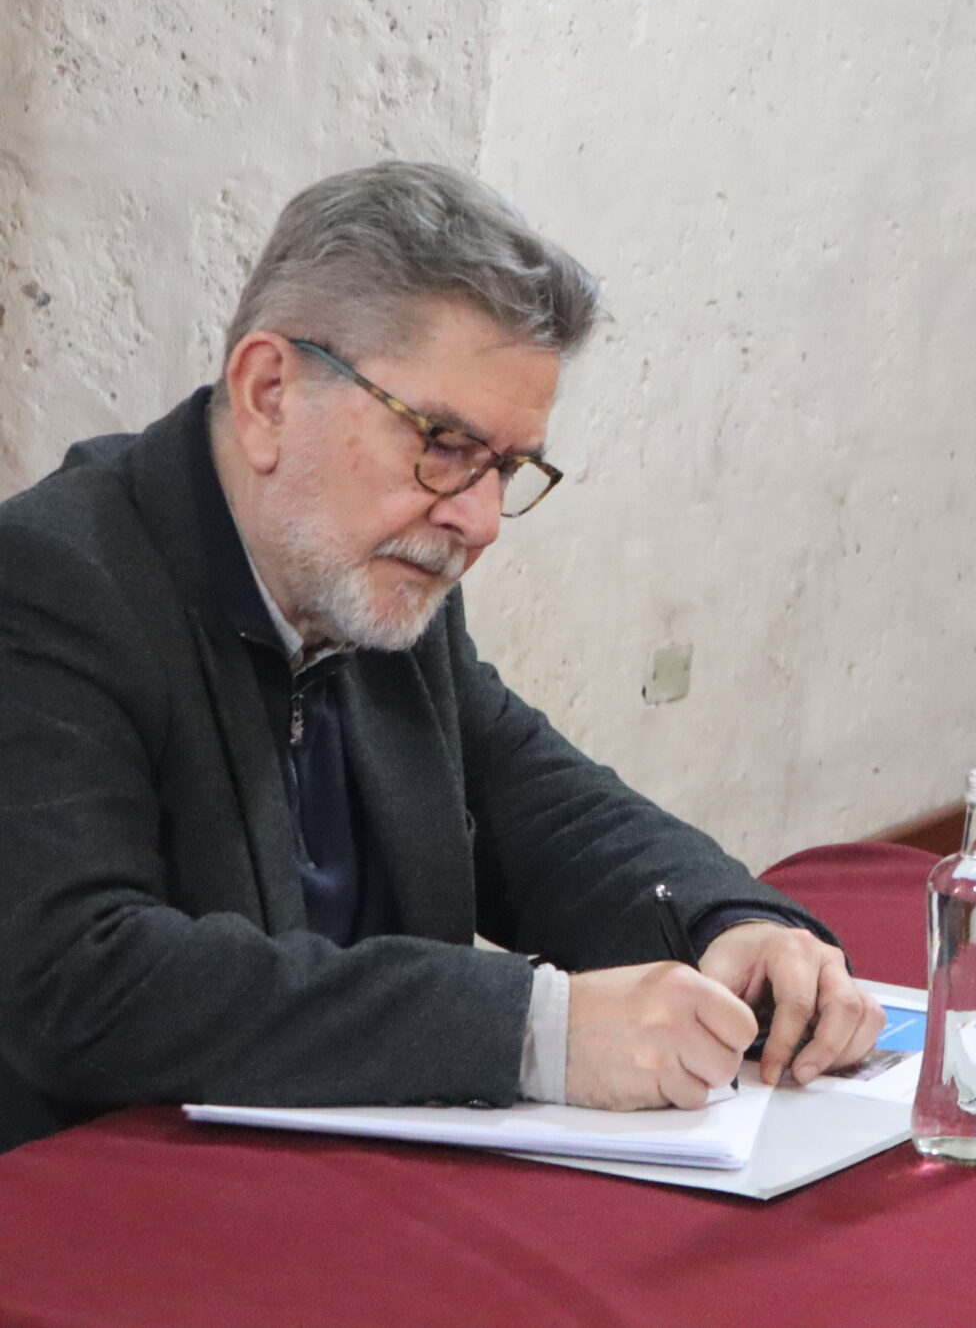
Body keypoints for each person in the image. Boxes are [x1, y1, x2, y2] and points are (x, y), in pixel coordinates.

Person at [0, 162, 884, 1151]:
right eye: (445, 444)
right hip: (106, 1199)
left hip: (351, 1172)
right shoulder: (49, 582)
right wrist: (529, 1030)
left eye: (506, 467)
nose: (480, 520)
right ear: (269, 394)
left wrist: (734, 927)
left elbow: (543, 810)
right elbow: (79, 979)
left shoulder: (372, 583)